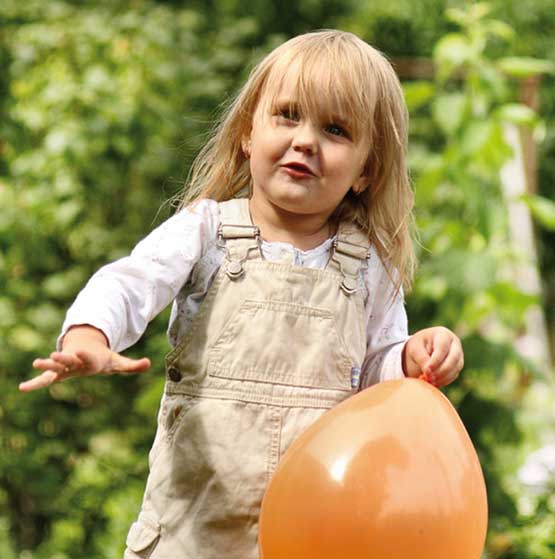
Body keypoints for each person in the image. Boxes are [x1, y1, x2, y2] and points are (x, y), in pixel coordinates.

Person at [20, 30, 464, 558]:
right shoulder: (206, 233)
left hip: (314, 529)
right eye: (288, 115)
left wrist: (412, 358)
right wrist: (91, 333)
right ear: (248, 133)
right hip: (194, 524)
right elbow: (130, 281)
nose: (305, 140)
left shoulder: (368, 267)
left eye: (336, 129)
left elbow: (375, 383)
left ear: (366, 170)